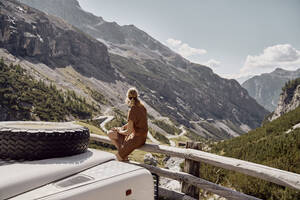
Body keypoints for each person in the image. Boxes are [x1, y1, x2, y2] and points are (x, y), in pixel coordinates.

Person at [107, 88, 148, 161]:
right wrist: (122, 127)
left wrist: (119, 131)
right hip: (142, 137)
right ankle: (123, 153)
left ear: (128, 97)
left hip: (136, 139)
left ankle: (122, 154)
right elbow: (134, 122)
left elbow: (128, 132)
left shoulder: (132, 110)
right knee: (110, 133)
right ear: (137, 96)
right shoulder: (142, 106)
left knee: (117, 158)